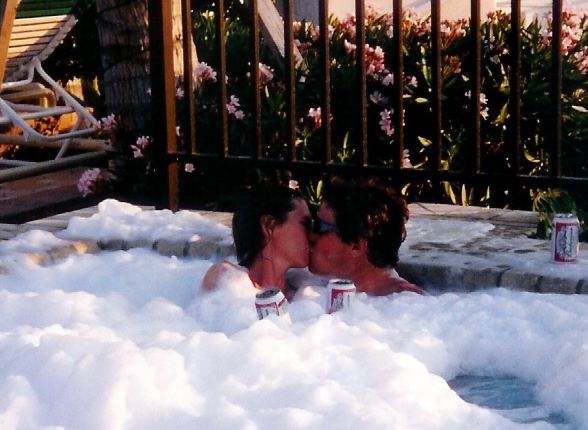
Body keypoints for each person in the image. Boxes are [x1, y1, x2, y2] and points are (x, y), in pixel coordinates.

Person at [307, 177, 426, 296]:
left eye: (320, 227)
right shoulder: (310, 285)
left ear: (356, 245)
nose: (311, 235)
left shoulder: (409, 301)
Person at [200, 181, 312, 301]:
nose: (313, 235)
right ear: (269, 225)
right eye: (306, 225)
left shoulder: (308, 292)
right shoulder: (226, 280)